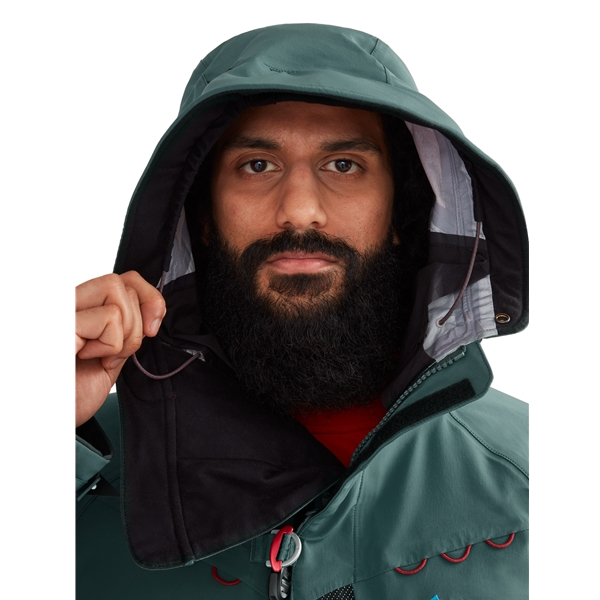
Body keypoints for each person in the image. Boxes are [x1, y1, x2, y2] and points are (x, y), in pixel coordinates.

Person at [76, 23, 528, 600]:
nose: (300, 210)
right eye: (257, 165)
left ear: (401, 211)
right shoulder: (80, 460)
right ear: (202, 216)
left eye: (343, 164)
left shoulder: (540, 482)